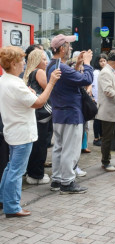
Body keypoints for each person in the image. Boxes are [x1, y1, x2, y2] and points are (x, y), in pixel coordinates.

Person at [0, 46, 60, 217]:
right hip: (22, 133)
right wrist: (52, 83)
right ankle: (12, 207)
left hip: (13, 131)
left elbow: (25, 97)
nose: (24, 64)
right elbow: (39, 102)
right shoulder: (15, 83)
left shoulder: (5, 80)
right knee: (16, 171)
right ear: (13, 63)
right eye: (21, 61)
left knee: (10, 168)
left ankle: (4, 199)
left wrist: (30, 91)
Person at [46, 34, 93, 194]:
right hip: (71, 115)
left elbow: (69, 80)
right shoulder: (62, 68)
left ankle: (57, 180)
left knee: (59, 148)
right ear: (62, 48)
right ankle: (67, 183)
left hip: (59, 114)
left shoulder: (51, 65)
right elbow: (86, 80)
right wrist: (87, 64)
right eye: (69, 46)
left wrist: (78, 64)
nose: (71, 48)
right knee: (70, 150)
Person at [23, 49, 52, 185]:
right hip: (42, 114)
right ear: (36, 60)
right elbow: (49, 89)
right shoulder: (39, 72)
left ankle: (31, 172)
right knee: (40, 145)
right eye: (43, 59)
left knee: (34, 145)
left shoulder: (27, 73)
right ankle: (37, 175)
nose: (46, 62)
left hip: (34, 114)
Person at [97, 51, 115, 172]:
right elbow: (108, 91)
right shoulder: (105, 72)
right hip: (108, 111)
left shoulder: (113, 71)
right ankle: (106, 162)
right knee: (107, 138)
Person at [92, 54, 108, 146]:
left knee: (101, 119)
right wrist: (97, 99)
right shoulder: (96, 73)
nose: (102, 63)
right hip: (98, 100)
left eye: (104, 61)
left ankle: (101, 137)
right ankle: (96, 138)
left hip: (102, 100)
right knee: (97, 119)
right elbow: (96, 88)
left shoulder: (104, 71)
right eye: (101, 61)